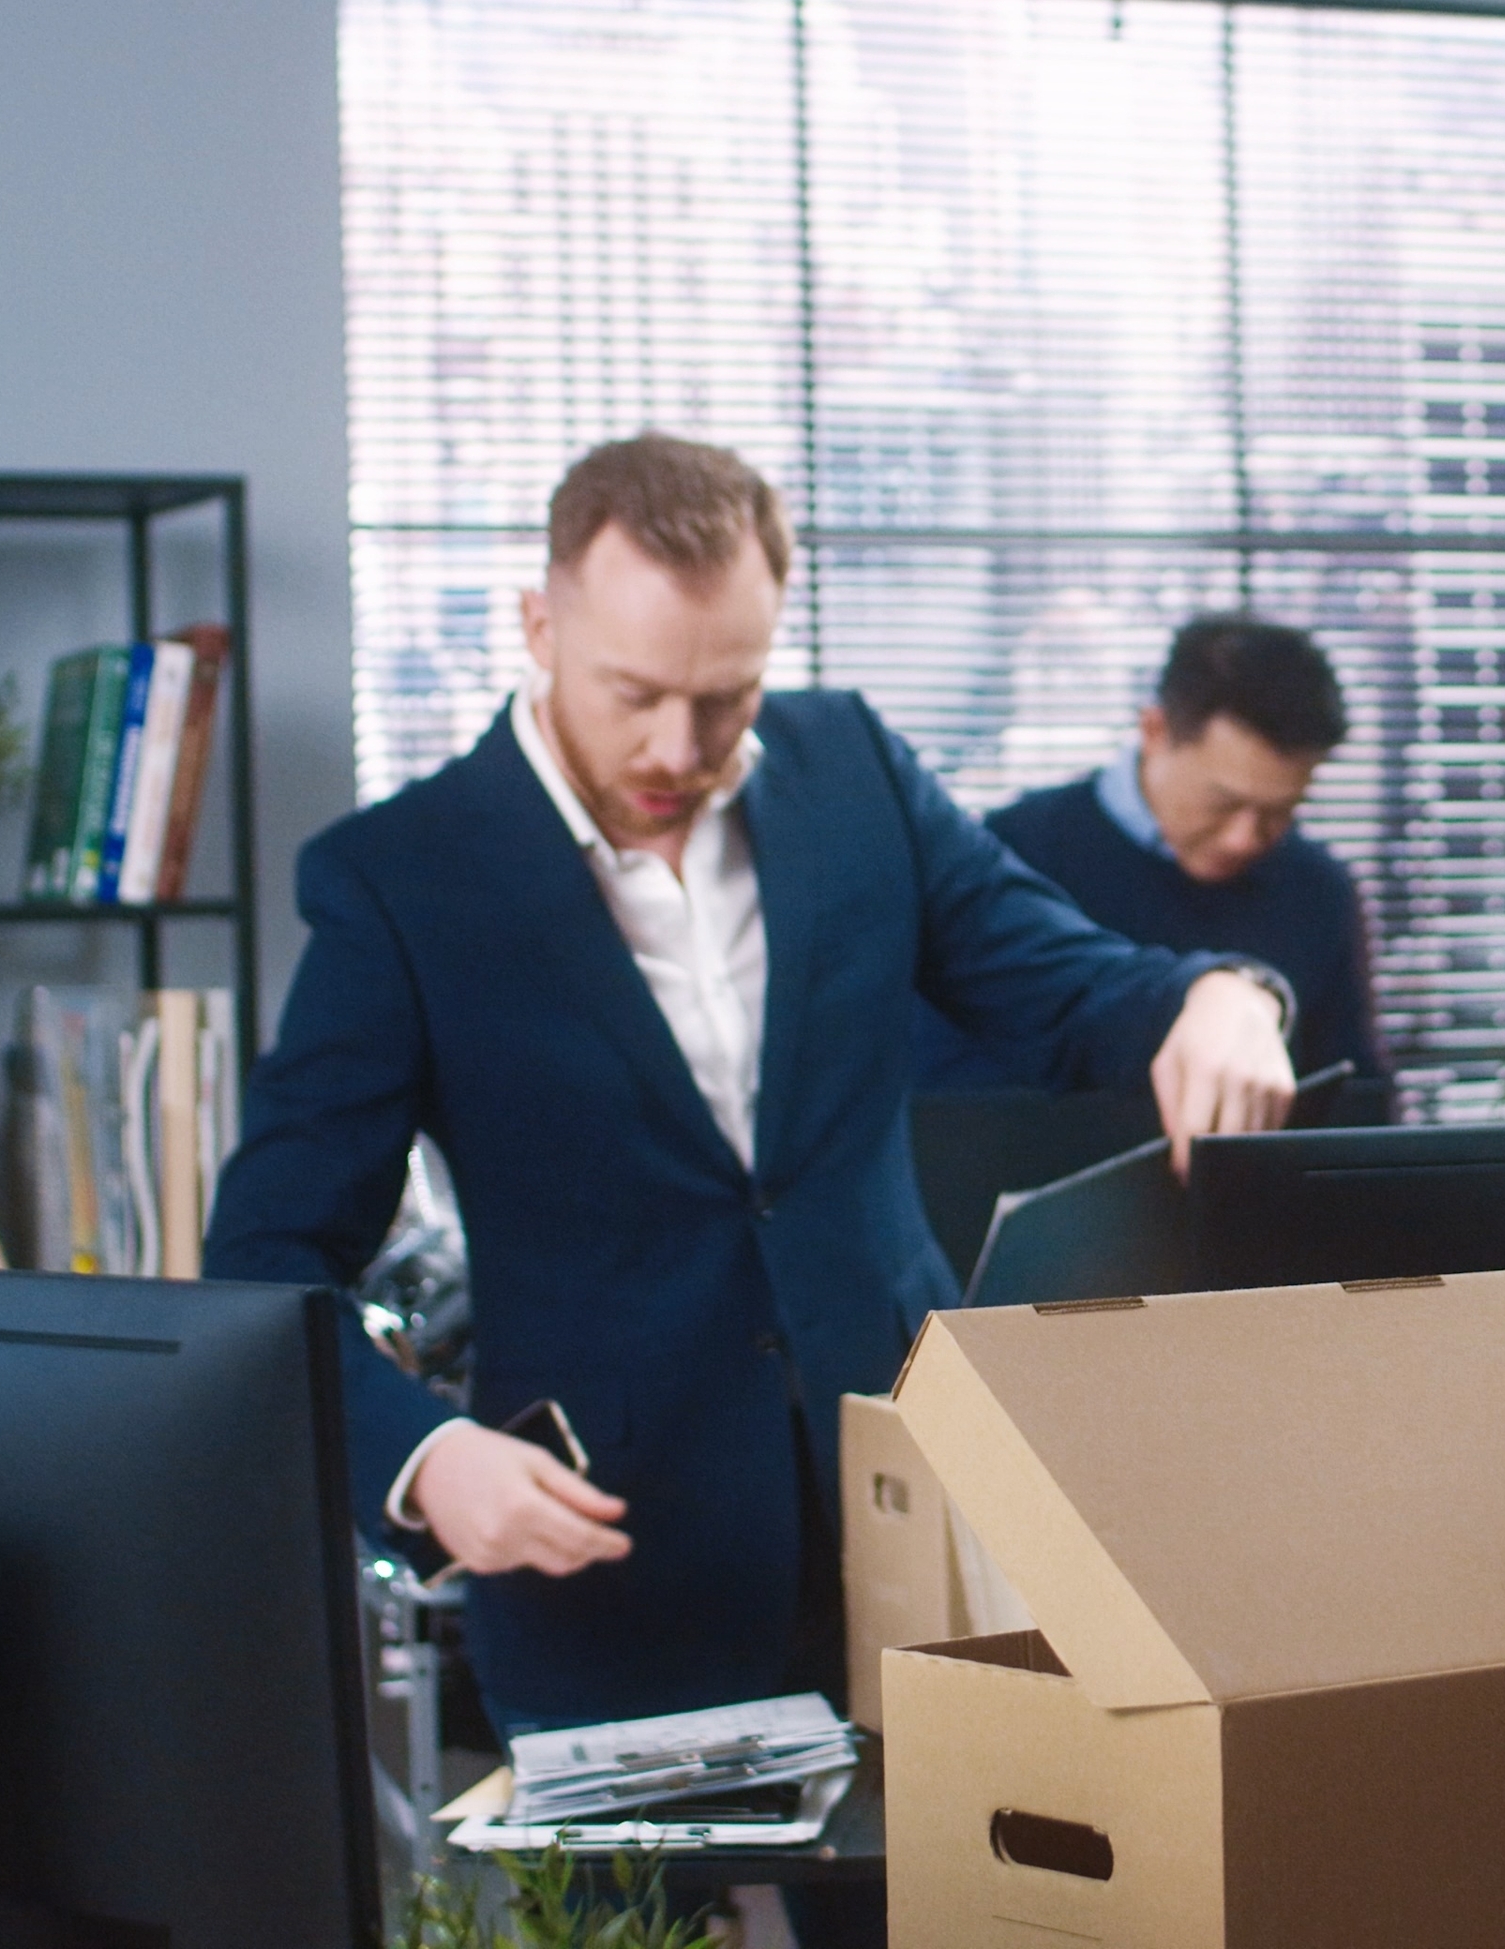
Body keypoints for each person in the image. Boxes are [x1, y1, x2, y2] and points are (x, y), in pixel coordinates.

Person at [208, 434, 1297, 1756]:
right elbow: (266, 1262)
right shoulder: (400, 880)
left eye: (726, 695)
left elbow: (1071, 987)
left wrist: (1226, 992)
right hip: (610, 1577)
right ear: (538, 624)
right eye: (636, 693)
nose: (682, 746)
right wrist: (424, 1461)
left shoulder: (852, 770)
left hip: (925, 1533)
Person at [930, 613, 1383, 1088]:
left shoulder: (1318, 892)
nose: (1244, 839)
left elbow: (1356, 1100)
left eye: (1279, 811)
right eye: (1222, 803)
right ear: (1153, 731)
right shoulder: (1013, 854)